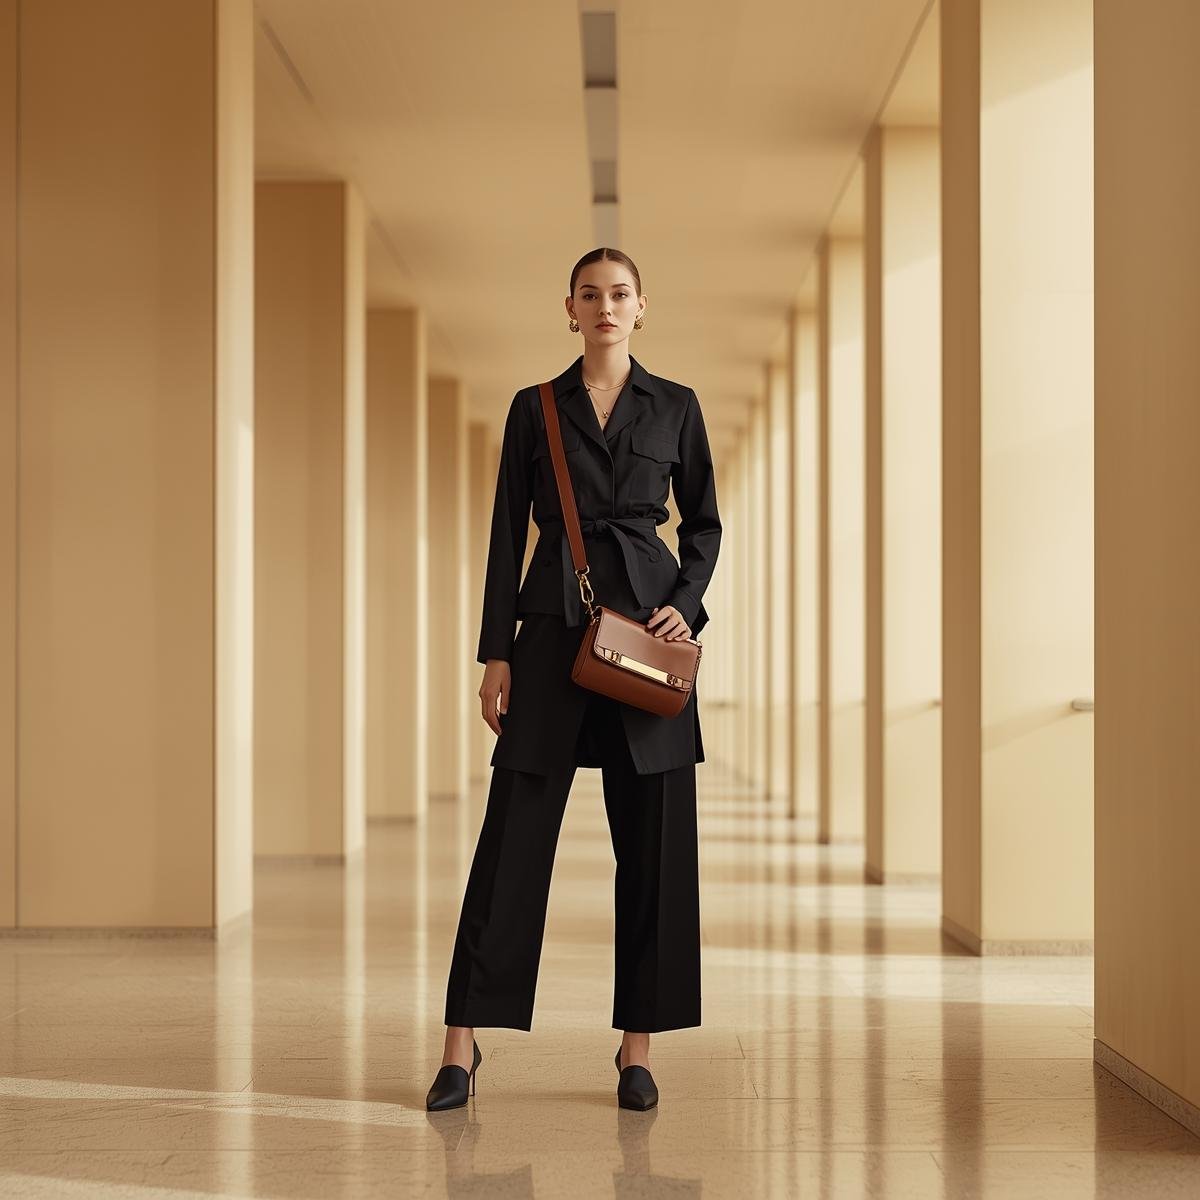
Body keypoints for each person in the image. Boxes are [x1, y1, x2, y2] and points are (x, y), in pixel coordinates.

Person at [425, 247, 722, 1112]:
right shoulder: (534, 409)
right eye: (590, 294)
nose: (605, 306)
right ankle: (460, 1045)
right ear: (569, 308)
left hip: (649, 640)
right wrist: (496, 654)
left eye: (619, 294)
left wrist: (686, 608)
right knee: (512, 838)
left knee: (657, 845)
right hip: (553, 632)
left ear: (641, 308)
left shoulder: (678, 407)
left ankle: (638, 1050)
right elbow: (502, 538)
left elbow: (703, 526)